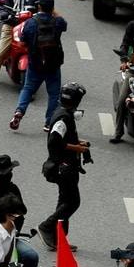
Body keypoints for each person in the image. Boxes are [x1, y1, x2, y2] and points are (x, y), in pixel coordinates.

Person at [39, 84, 89, 252]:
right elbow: (55, 141)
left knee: (64, 202)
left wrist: (78, 142)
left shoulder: (64, 113)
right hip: (63, 167)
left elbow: (62, 137)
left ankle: (60, 239)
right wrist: (77, 148)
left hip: (67, 166)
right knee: (72, 202)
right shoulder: (63, 117)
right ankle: (47, 227)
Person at [9, 0, 66, 131]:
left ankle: (19, 111)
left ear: (39, 7)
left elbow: (22, 41)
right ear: (52, 8)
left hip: (35, 63)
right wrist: (54, 12)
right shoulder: (56, 22)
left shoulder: (31, 22)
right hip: (53, 64)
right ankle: (48, 122)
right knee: (53, 93)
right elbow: (64, 24)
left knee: (28, 88)